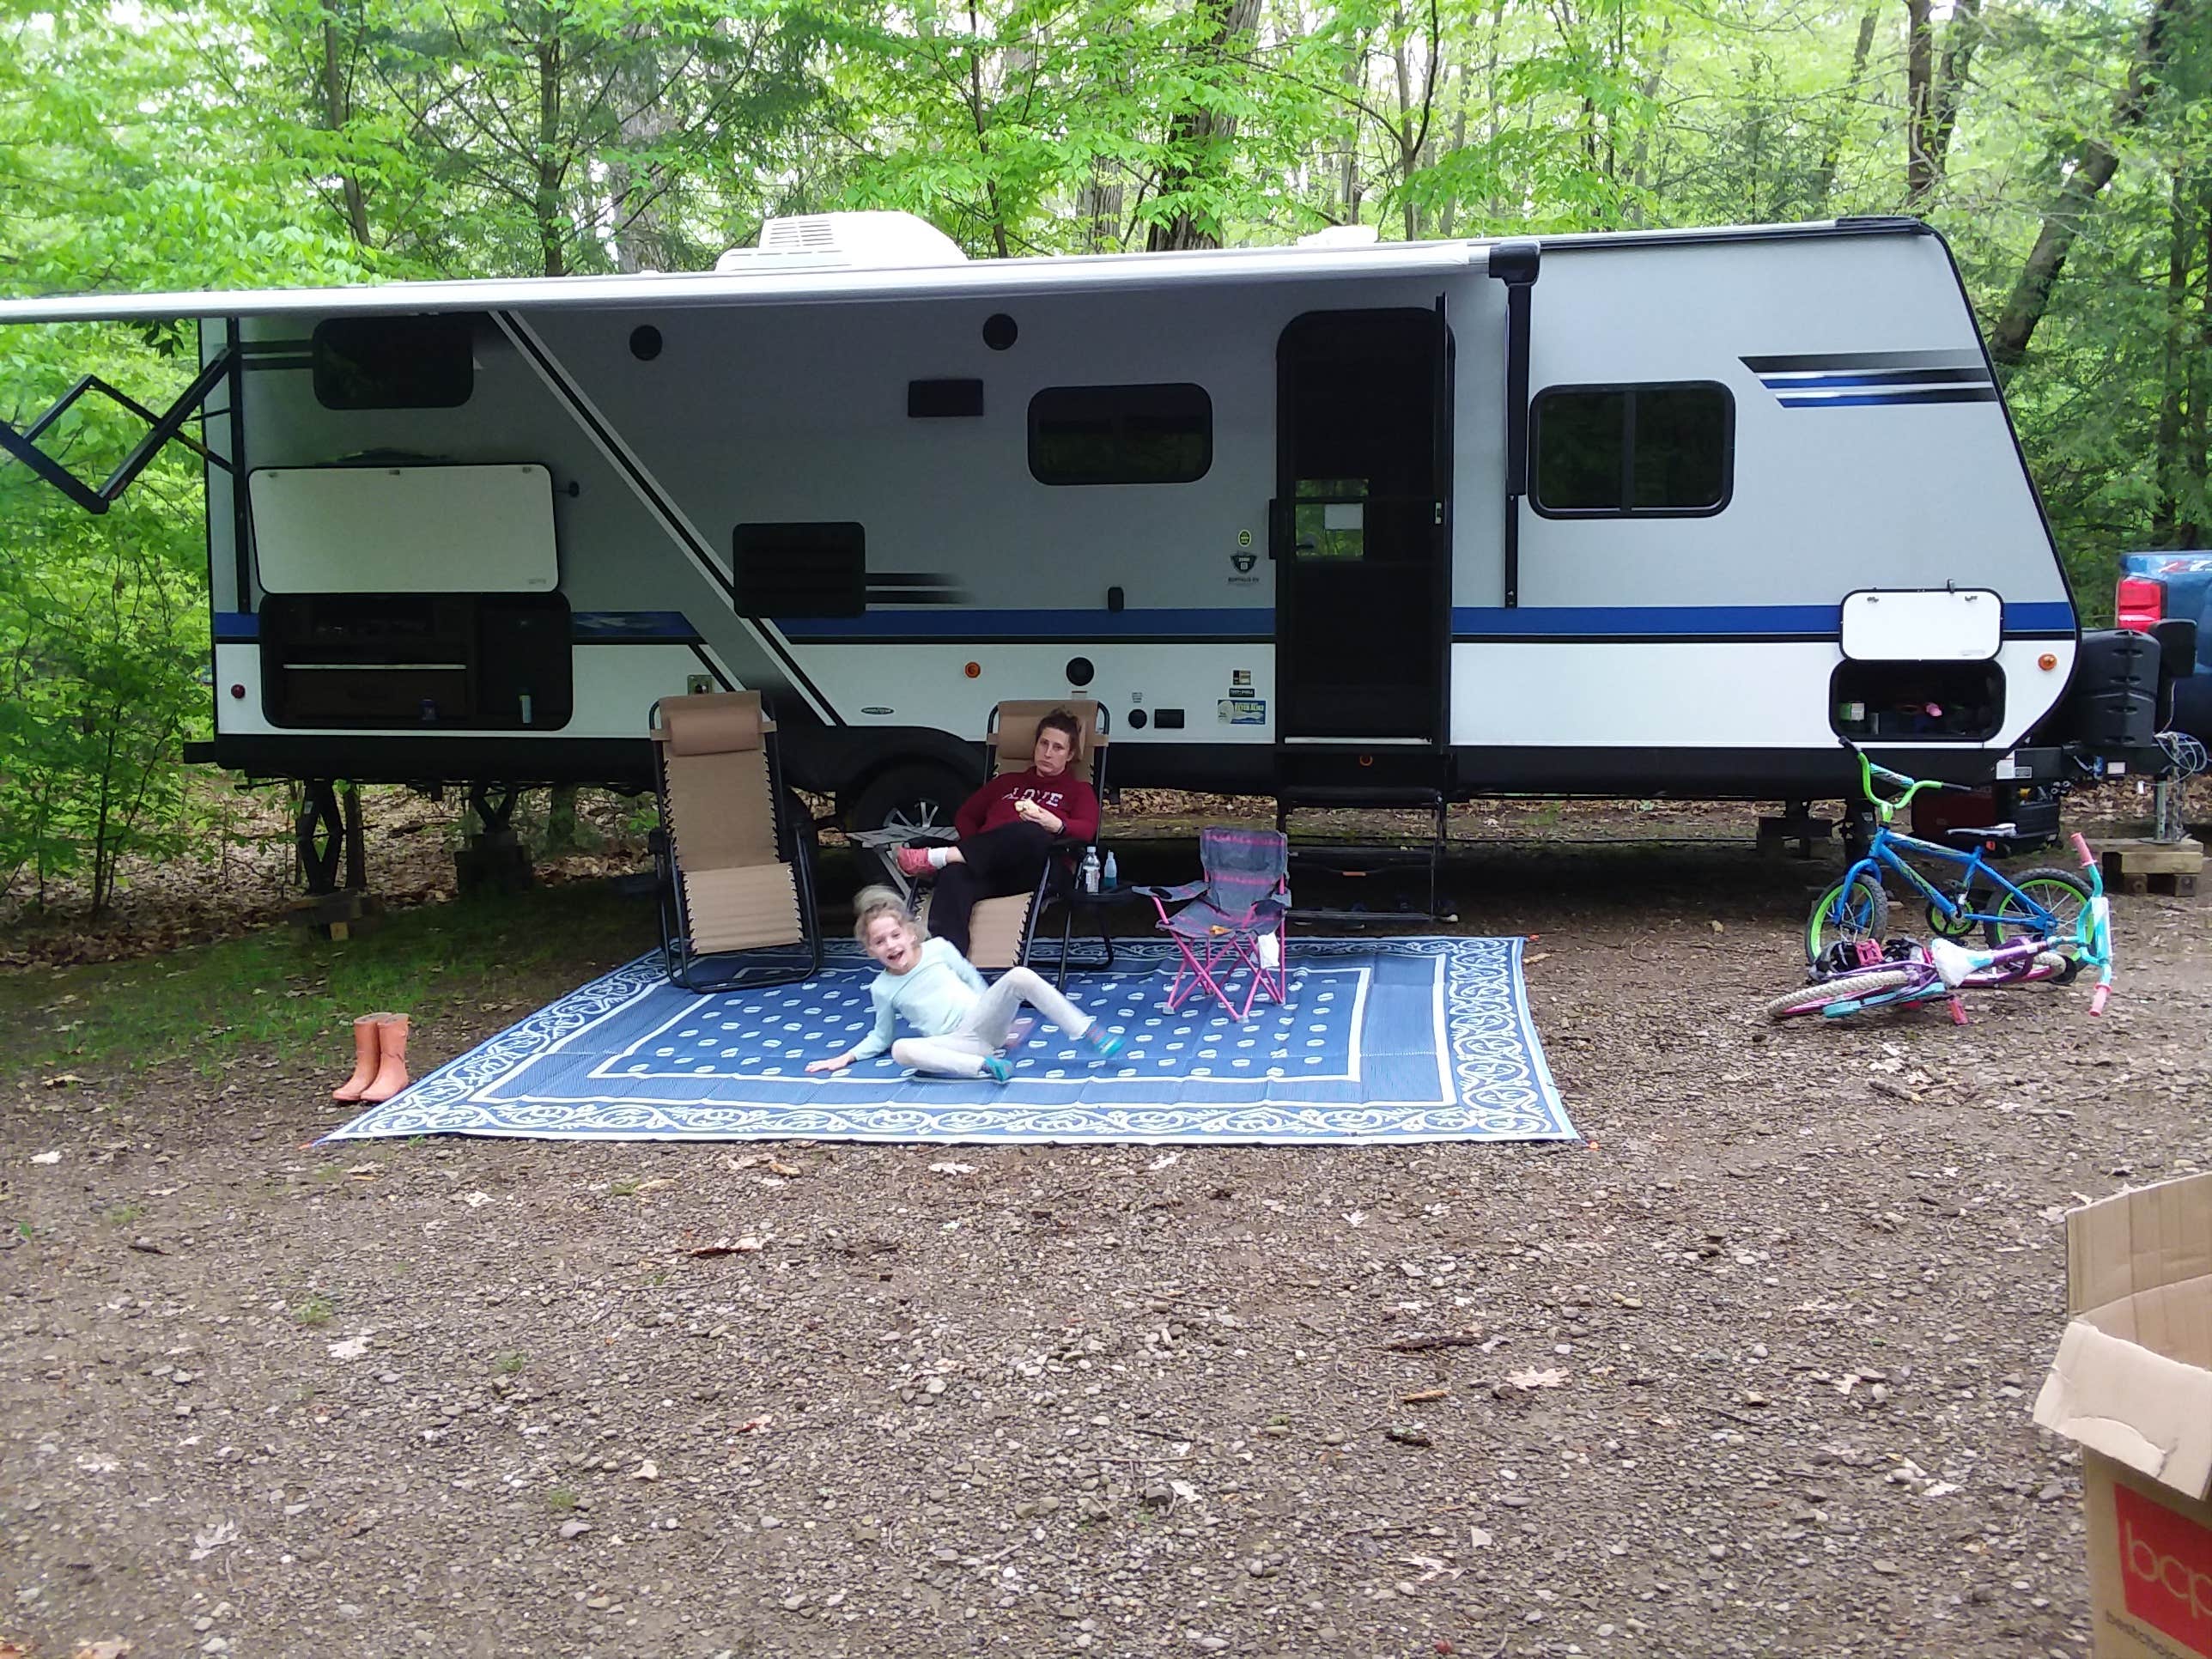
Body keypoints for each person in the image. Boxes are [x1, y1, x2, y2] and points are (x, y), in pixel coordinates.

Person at [806, 887, 1123, 1083]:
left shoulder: (939, 949)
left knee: (1019, 976)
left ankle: (1086, 1030)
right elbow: (881, 1036)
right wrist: (846, 1057)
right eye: (880, 942)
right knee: (901, 1049)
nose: (890, 945)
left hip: (982, 1022)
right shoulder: (882, 988)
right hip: (956, 1044)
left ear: (911, 934)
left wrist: (995, 1014)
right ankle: (985, 1067)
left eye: (895, 935)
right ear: (870, 951)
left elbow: (971, 977)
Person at [894, 708, 1098, 960]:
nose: (1047, 753)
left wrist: (1056, 824)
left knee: (1031, 832)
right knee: (954, 874)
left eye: (1058, 747)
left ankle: (939, 856)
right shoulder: (1006, 783)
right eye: (1043, 743)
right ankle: (949, 965)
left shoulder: (1078, 791)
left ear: (1070, 755)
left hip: (1036, 869)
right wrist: (982, 848)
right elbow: (966, 816)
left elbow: (1087, 830)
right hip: (988, 867)